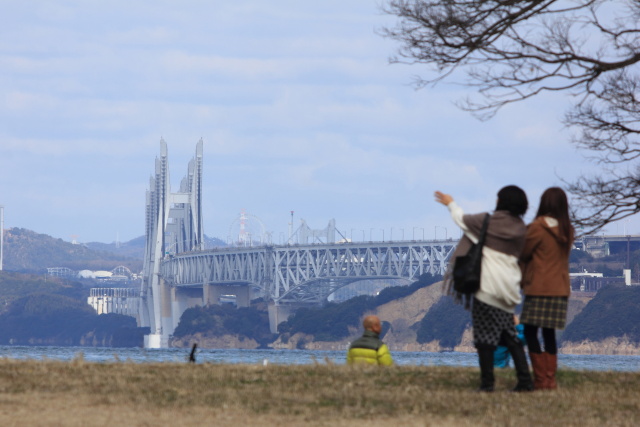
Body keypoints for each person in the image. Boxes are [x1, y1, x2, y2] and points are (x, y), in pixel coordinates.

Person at [435, 186, 533, 392]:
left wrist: (450, 203)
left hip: (486, 289)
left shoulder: (487, 222)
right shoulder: (522, 229)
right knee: (510, 336)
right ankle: (525, 380)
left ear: (501, 202)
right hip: (509, 290)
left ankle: (487, 384)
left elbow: (461, 220)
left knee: (484, 339)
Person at [520, 187, 574, 390]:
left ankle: (540, 379)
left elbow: (524, 253)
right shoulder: (567, 229)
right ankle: (550, 380)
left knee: (531, 331)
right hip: (559, 288)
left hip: (538, 286)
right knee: (549, 333)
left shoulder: (536, 228)